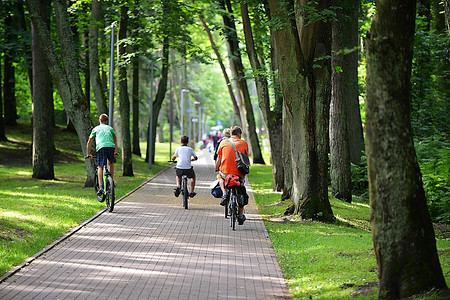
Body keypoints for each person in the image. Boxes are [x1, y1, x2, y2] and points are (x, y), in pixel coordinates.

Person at [215, 125, 249, 225]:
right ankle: (241, 214)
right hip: (239, 173)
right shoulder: (244, 143)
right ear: (239, 134)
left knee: (221, 178)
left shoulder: (223, 142)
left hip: (226, 172)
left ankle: (224, 193)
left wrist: (217, 168)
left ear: (231, 133)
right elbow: (246, 158)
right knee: (241, 189)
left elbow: (219, 159)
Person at [86, 114, 118, 198]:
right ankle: (111, 182)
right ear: (107, 121)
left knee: (100, 166)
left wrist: (88, 153)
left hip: (101, 147)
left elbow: (89, 142)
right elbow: (115, 139)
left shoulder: (96, 129)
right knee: (111, 163)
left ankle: (100, 187)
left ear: (99, 121)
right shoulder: (110, 128)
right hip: (111, 147)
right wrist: (115, 151)